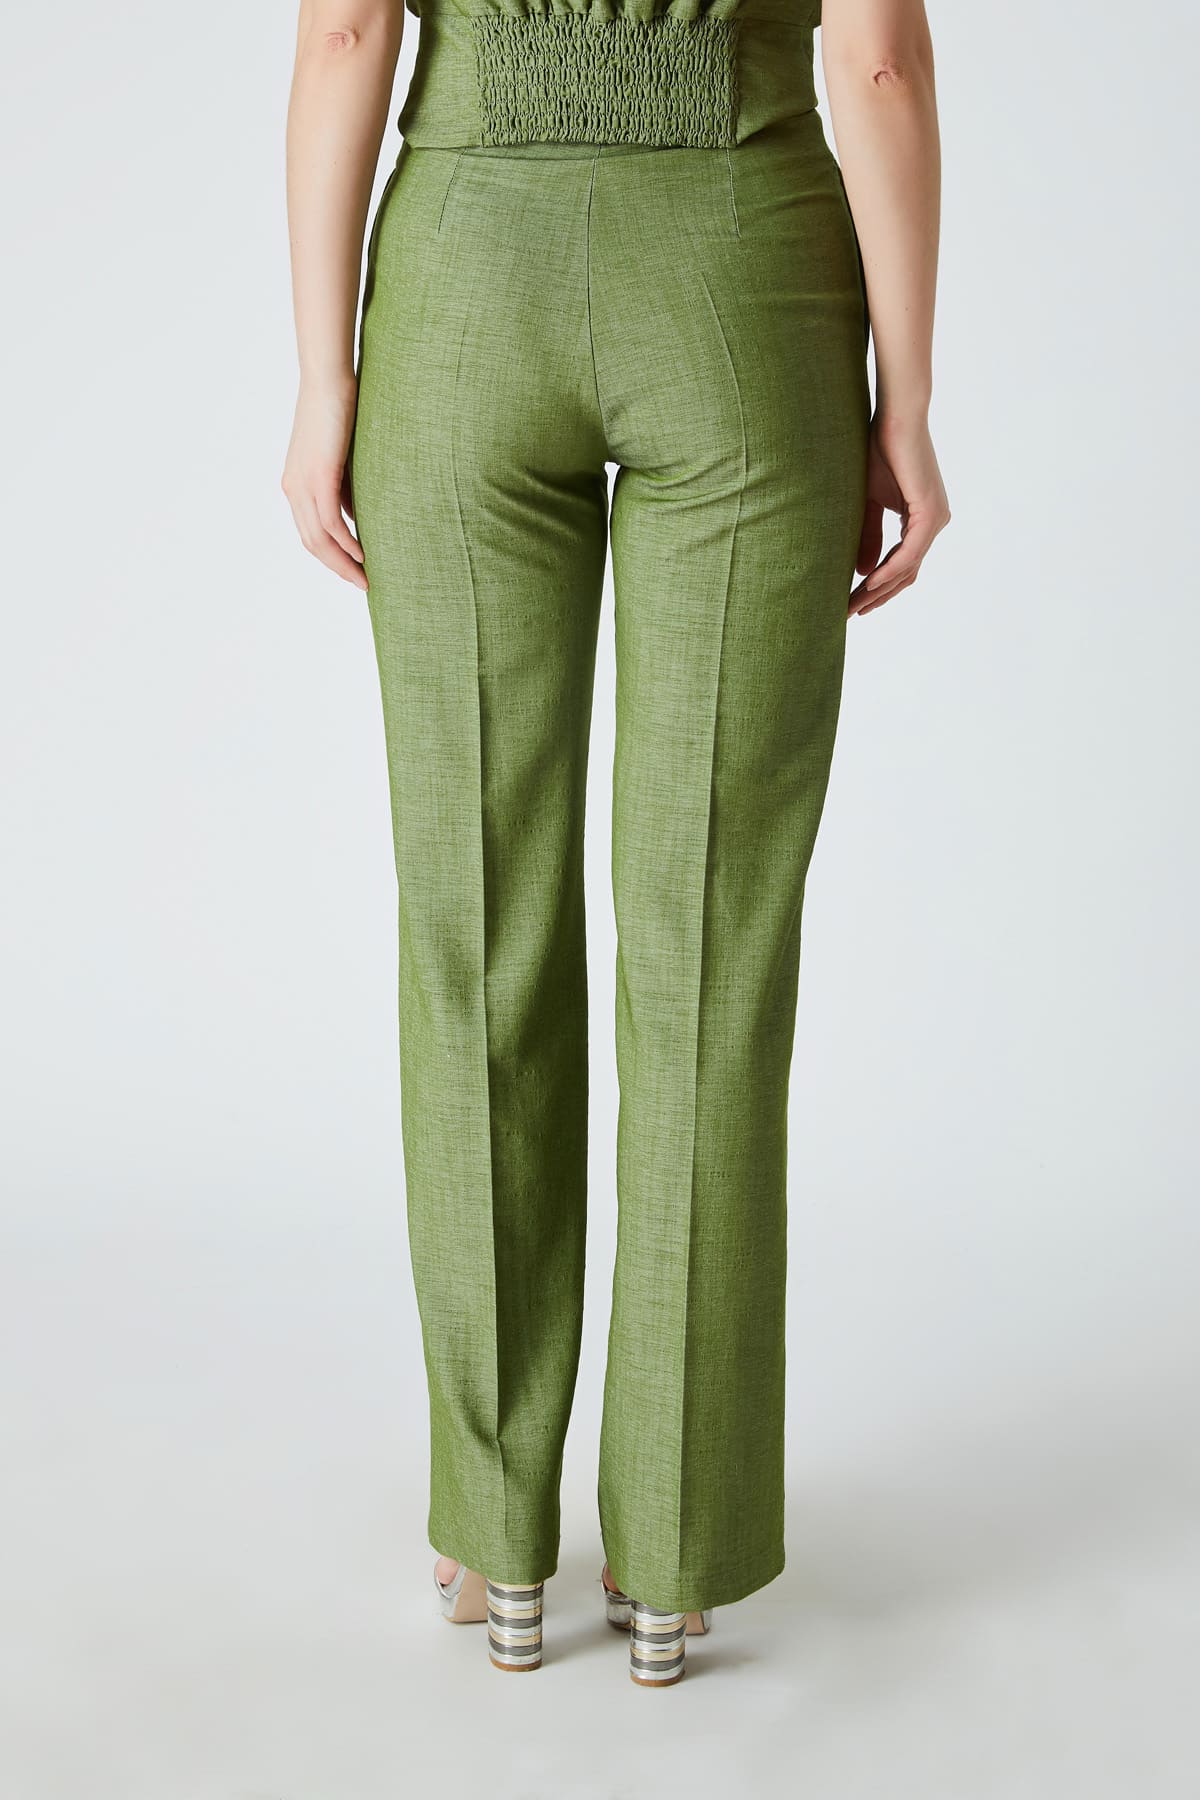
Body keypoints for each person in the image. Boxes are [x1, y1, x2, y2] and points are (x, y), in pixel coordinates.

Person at [281, 0, 949, 1687]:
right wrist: (910, 396)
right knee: (712, 940)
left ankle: (494, 1531)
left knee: (475, 925)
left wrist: (322, 376)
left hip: (466, 284)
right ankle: (678, 1549)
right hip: (746, 283)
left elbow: (349, 32)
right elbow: (876, 60)